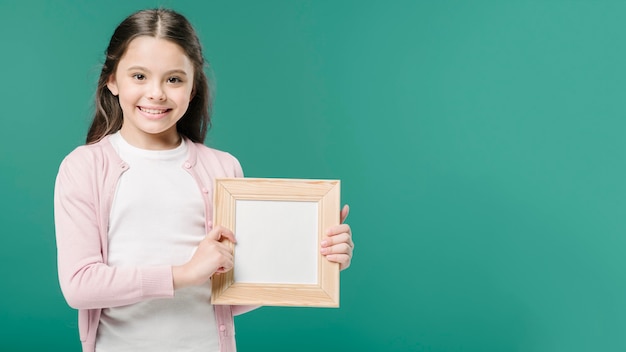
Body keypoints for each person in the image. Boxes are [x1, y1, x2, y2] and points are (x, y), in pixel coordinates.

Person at [53, 8, 354, 352]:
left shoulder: (222, 168)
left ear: (193, 86)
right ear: (112, 80)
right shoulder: (85, 166)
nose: (156, 93)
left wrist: (314, 260)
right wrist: (185, 273)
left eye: (174, 79)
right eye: (139, 76)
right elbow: (80, 286)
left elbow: (231, 295)